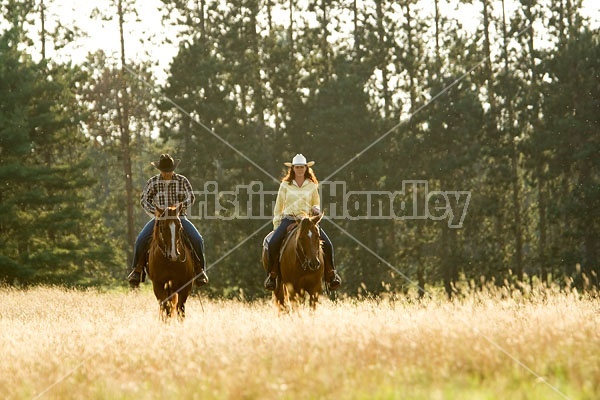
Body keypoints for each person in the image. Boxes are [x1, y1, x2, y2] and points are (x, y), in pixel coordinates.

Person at [127, 154, 208, 288]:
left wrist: (180, 207)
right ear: (160, 170)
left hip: (179, 218)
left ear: (173, 169)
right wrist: (155, 211)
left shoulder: (182, 180)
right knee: (141, 239)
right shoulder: (153, 182)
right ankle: (137, 270)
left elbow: (190, 197)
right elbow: (144, 200)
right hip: (159, 219)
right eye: (164, 171)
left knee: (197, 239)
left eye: (169, 171)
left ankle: (200, 271)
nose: (167, 174)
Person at [264, 154, 342, 291]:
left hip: (308, 221)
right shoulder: (285, 185)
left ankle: (331, 274)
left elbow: (316, 202)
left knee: (328, 244)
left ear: (306, 168)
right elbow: (278, 206)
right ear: (293, 168)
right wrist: (277, 224)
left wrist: (316, 209)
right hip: (288, 219)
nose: (299, 169)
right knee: (272, 243)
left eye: (302, 167)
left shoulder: (312, 185)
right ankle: (273, 275)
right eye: (297, 167)